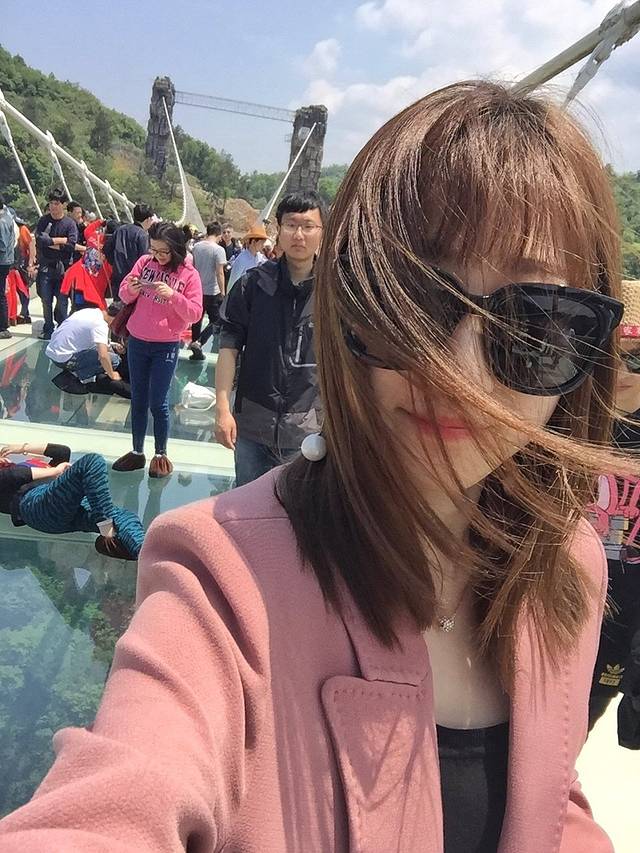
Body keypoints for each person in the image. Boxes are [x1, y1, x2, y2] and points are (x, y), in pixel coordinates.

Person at [0, 81, 629, 852]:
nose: (457, 371)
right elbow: (116, 799)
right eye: (414, 301)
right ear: (347, 300)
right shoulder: (221, 577)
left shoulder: (566, 565)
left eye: (535, 324)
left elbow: (546, 789)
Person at [216, 191, 325, 486]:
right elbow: (228, 347)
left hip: (307, 431)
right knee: (246, 505)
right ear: (278, 229)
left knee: (298, 507)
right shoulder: (253, 285)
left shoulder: (334, 293)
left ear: (322, 232)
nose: (299, 235)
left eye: (308, 226)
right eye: (291, 225)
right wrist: (222, 409)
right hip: (252, 426)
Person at [588, 278, 640, 748]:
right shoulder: (564, 418)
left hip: (627, 606)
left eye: (637, 358)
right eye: (608, 354)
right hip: (564, 593)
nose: (620, 370)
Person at [111, 221, 202, 478]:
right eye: (154, 250)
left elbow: (195, 313)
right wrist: (131, 289)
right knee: (138, 398)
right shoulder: (144, 263)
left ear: (176, 249)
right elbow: (123, 294)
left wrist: (173, 295)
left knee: (159, 402)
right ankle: (137, 451)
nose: (158, 256)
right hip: (138, 340)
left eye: (164, 251)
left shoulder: (189, 274)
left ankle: (160, 454)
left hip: (166, 345)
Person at [0, 442, 144, 560]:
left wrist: (22, 448)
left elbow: (62, 452)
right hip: (34, 505)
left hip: (68, 506)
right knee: (92, 462)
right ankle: (106, 528)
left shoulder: (30, 466)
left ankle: (145, 553)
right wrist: (54, 471)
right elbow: (13, 476)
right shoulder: (10, 476)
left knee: (124, 517)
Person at [33, 188, 78, 340]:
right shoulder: (44, 221)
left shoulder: (69, 223)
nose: (53, 206)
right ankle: (48, 328)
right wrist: (61, 241)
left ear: (63, 205)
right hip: (46, 266)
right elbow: (40, 241)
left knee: (62, 301)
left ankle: (62, 329)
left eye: (57, 203)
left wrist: (50, 241)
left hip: (63, 268)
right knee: (46, 300)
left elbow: (71, 244)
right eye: (51, 203)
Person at [45, 301, 123, 383]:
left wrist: (112, 345)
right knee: (114, 360)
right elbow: (103, 356)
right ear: (116, 319)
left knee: (104, 353)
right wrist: (112, 374)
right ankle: (75, 377)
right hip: (63, 359)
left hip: (53, 351)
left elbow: (93, 340)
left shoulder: (91, 311)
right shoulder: (100, 325)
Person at [188, 221, 226, 361]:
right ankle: (199, 342)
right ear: (218, 234)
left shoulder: (197, 247)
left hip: (197, 288)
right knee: (217, 319)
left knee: (196, 319)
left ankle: (194, 345)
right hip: (212, 290)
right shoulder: (218, 250)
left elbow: (192, 266)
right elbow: (220, 273)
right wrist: (223, 292)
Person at [105, 204, 154, 298]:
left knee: (118, 304)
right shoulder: (143, 235)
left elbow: (107, 249)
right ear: (148, 219)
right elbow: (145, 260)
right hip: (133, 281)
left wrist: (115, 263)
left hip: (117, 277)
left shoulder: (120, 229)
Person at [226, 223, 268, 291]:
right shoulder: (242, 260)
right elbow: (233, 282)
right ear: (253, 242)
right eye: (261, 243)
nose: (263, 246)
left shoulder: (260, 258)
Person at [0, 193, 15, 339]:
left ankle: (3, 327)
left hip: (1, 261)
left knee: (0, 295)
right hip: (5, 261)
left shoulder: (2, 222)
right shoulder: (7, 217)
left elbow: (2, 245)